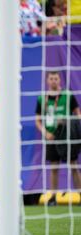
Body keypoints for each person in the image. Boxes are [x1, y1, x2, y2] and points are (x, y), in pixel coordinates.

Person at [35, 71, 81, 206]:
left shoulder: (67, 95)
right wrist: (45, 133)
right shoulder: (42, 98)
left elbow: (78, 114)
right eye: (51, 78)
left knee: (73, 166)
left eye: (56, 78)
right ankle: (53, 197)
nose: (54, 81)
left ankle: (79, 193)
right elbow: (38, 120)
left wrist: (72, 125)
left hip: (67, 136)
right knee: (54, 167)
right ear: (47, 81)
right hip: (51, 136)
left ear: (59, 80)